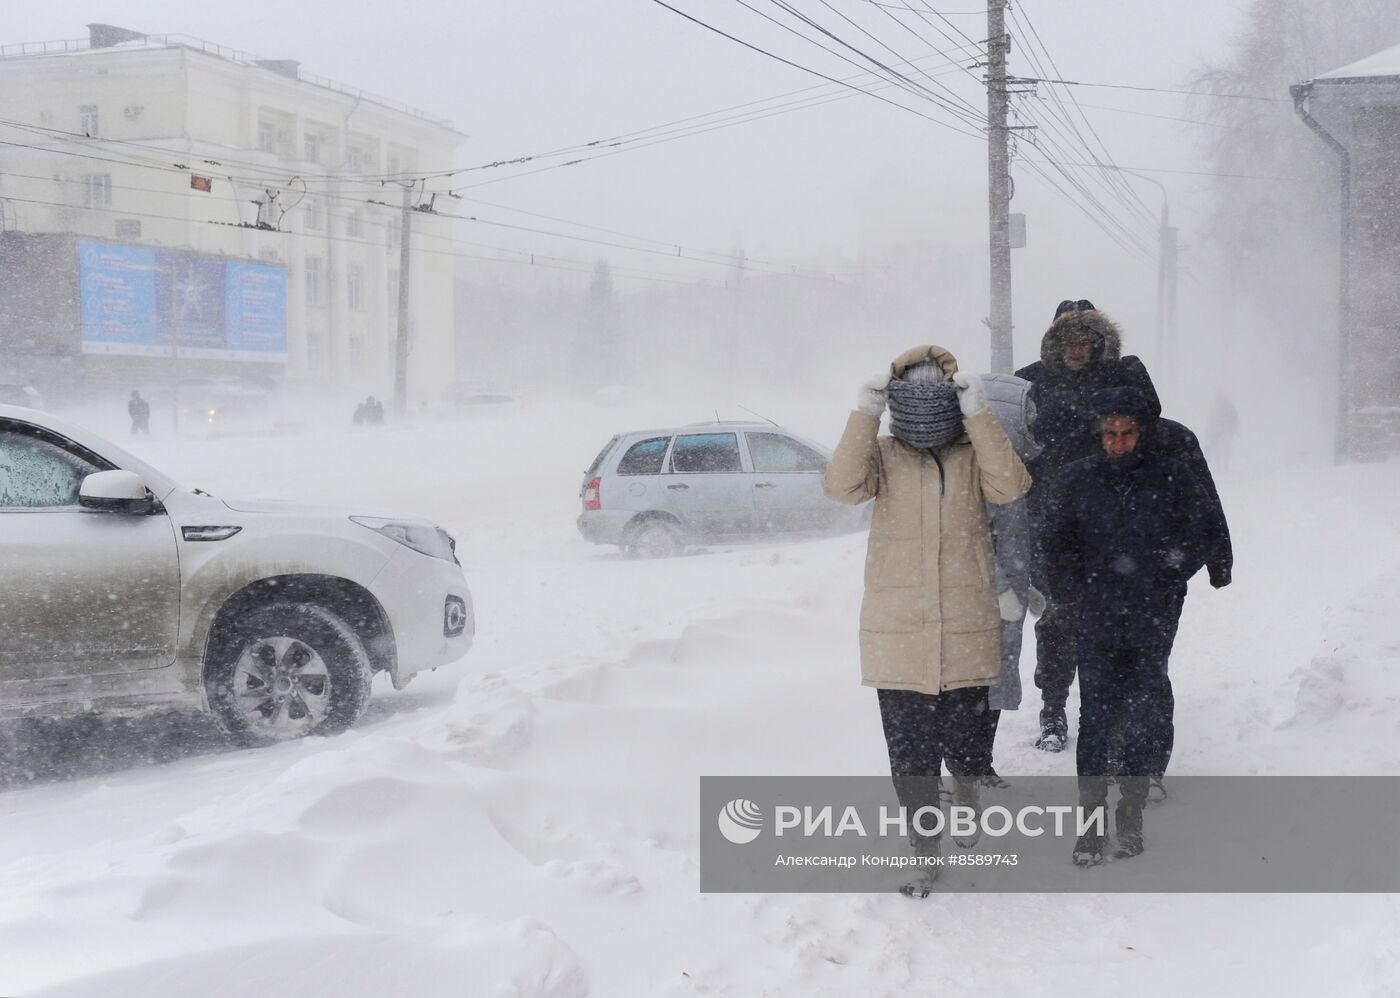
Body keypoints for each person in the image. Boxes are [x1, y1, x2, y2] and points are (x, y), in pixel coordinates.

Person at [823, 345, 1030, 895]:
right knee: (910, 756)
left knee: (964, 744)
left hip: (965, 623)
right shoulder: (884, 457)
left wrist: (978, 414)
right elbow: (840, 488)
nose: (923, 426)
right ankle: (923, 849)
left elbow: (1012, 486)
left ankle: (965, 789)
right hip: (898, 633)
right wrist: (864, 413)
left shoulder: (973, 456)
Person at [1042, 387, 1220, 866]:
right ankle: (1091, 821)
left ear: (1141, 433)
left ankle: (1132, 813)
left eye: (1127, 434)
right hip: (1095, 613)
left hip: (1152, 615)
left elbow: (1200, 531)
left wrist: (1168, 573)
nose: (1118, 443)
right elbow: (1054, 542)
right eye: (1110, 434)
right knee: (1096, 716)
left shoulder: (1171, 477)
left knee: (1142, 713)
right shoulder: (1077, 479)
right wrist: (1074, 589)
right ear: (1099, 434)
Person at [1016, 300, 1158, 753]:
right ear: (1053, 343)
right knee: (1059, 615)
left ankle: (1105, 713)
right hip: (1051, 517)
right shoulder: (1031, 380)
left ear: (1100, 343)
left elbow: (1150, 419)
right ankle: (1053, 708)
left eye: (1085, 341)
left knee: (1112, 618)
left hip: (1110, 517)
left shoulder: (1119, 377)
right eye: (1067, 341)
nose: (1076, 350)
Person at [967, 373, 1041, 788]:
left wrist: (1022, 587)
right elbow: (970, 540)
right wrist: (1000, 589)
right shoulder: (979, 475)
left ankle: (980, 763)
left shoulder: (1007, 469)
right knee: (974, 687)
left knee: (992, 685)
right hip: (981, 602)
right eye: (1026, 412)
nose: (1034, 419)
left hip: (1004, 599)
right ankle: (967, 766)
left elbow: (1007, 540)